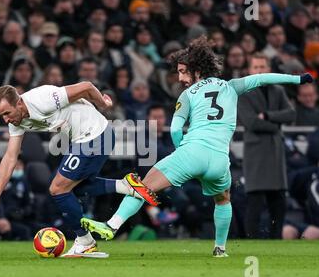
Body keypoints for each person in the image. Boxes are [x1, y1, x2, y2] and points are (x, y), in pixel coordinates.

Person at [81, 36, 313, 257]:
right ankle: (220, 249)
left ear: (197, 70)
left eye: (183, 72)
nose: (181, 78)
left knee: (142, 187)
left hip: (193, 152)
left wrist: (183, 154)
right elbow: (263, 78)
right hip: (220, 160)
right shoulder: (232, 86)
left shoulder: (189, 94)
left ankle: (111, 226)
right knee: (223, 200)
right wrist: (298, 79)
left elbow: (174, 130)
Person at [0, 81, 142, 257]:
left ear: (18, 102)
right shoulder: (15, 121)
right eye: (1, 115)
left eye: (7, 113)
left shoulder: (43, 100)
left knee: (57, 189)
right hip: (90, 138)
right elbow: (10, 157)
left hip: (94, 135)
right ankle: (125, 186)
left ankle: (85, 242)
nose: (6, 119)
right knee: (72, 189)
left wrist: (103, 103)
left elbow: (86, 87)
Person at [238, 53, 296, 239]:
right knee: (255, 202)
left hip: (275, 152)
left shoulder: (277, 91)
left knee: (278, 202)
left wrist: (269, 116)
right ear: (249, 70)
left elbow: (291, 114)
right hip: (256, 154)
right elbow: (251, 122)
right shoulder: (243, 93)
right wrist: (276, 126)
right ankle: (251, 241)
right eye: (256, 67)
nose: (259, 71)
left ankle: (276, 239)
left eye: (262, 67)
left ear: (269, 69)